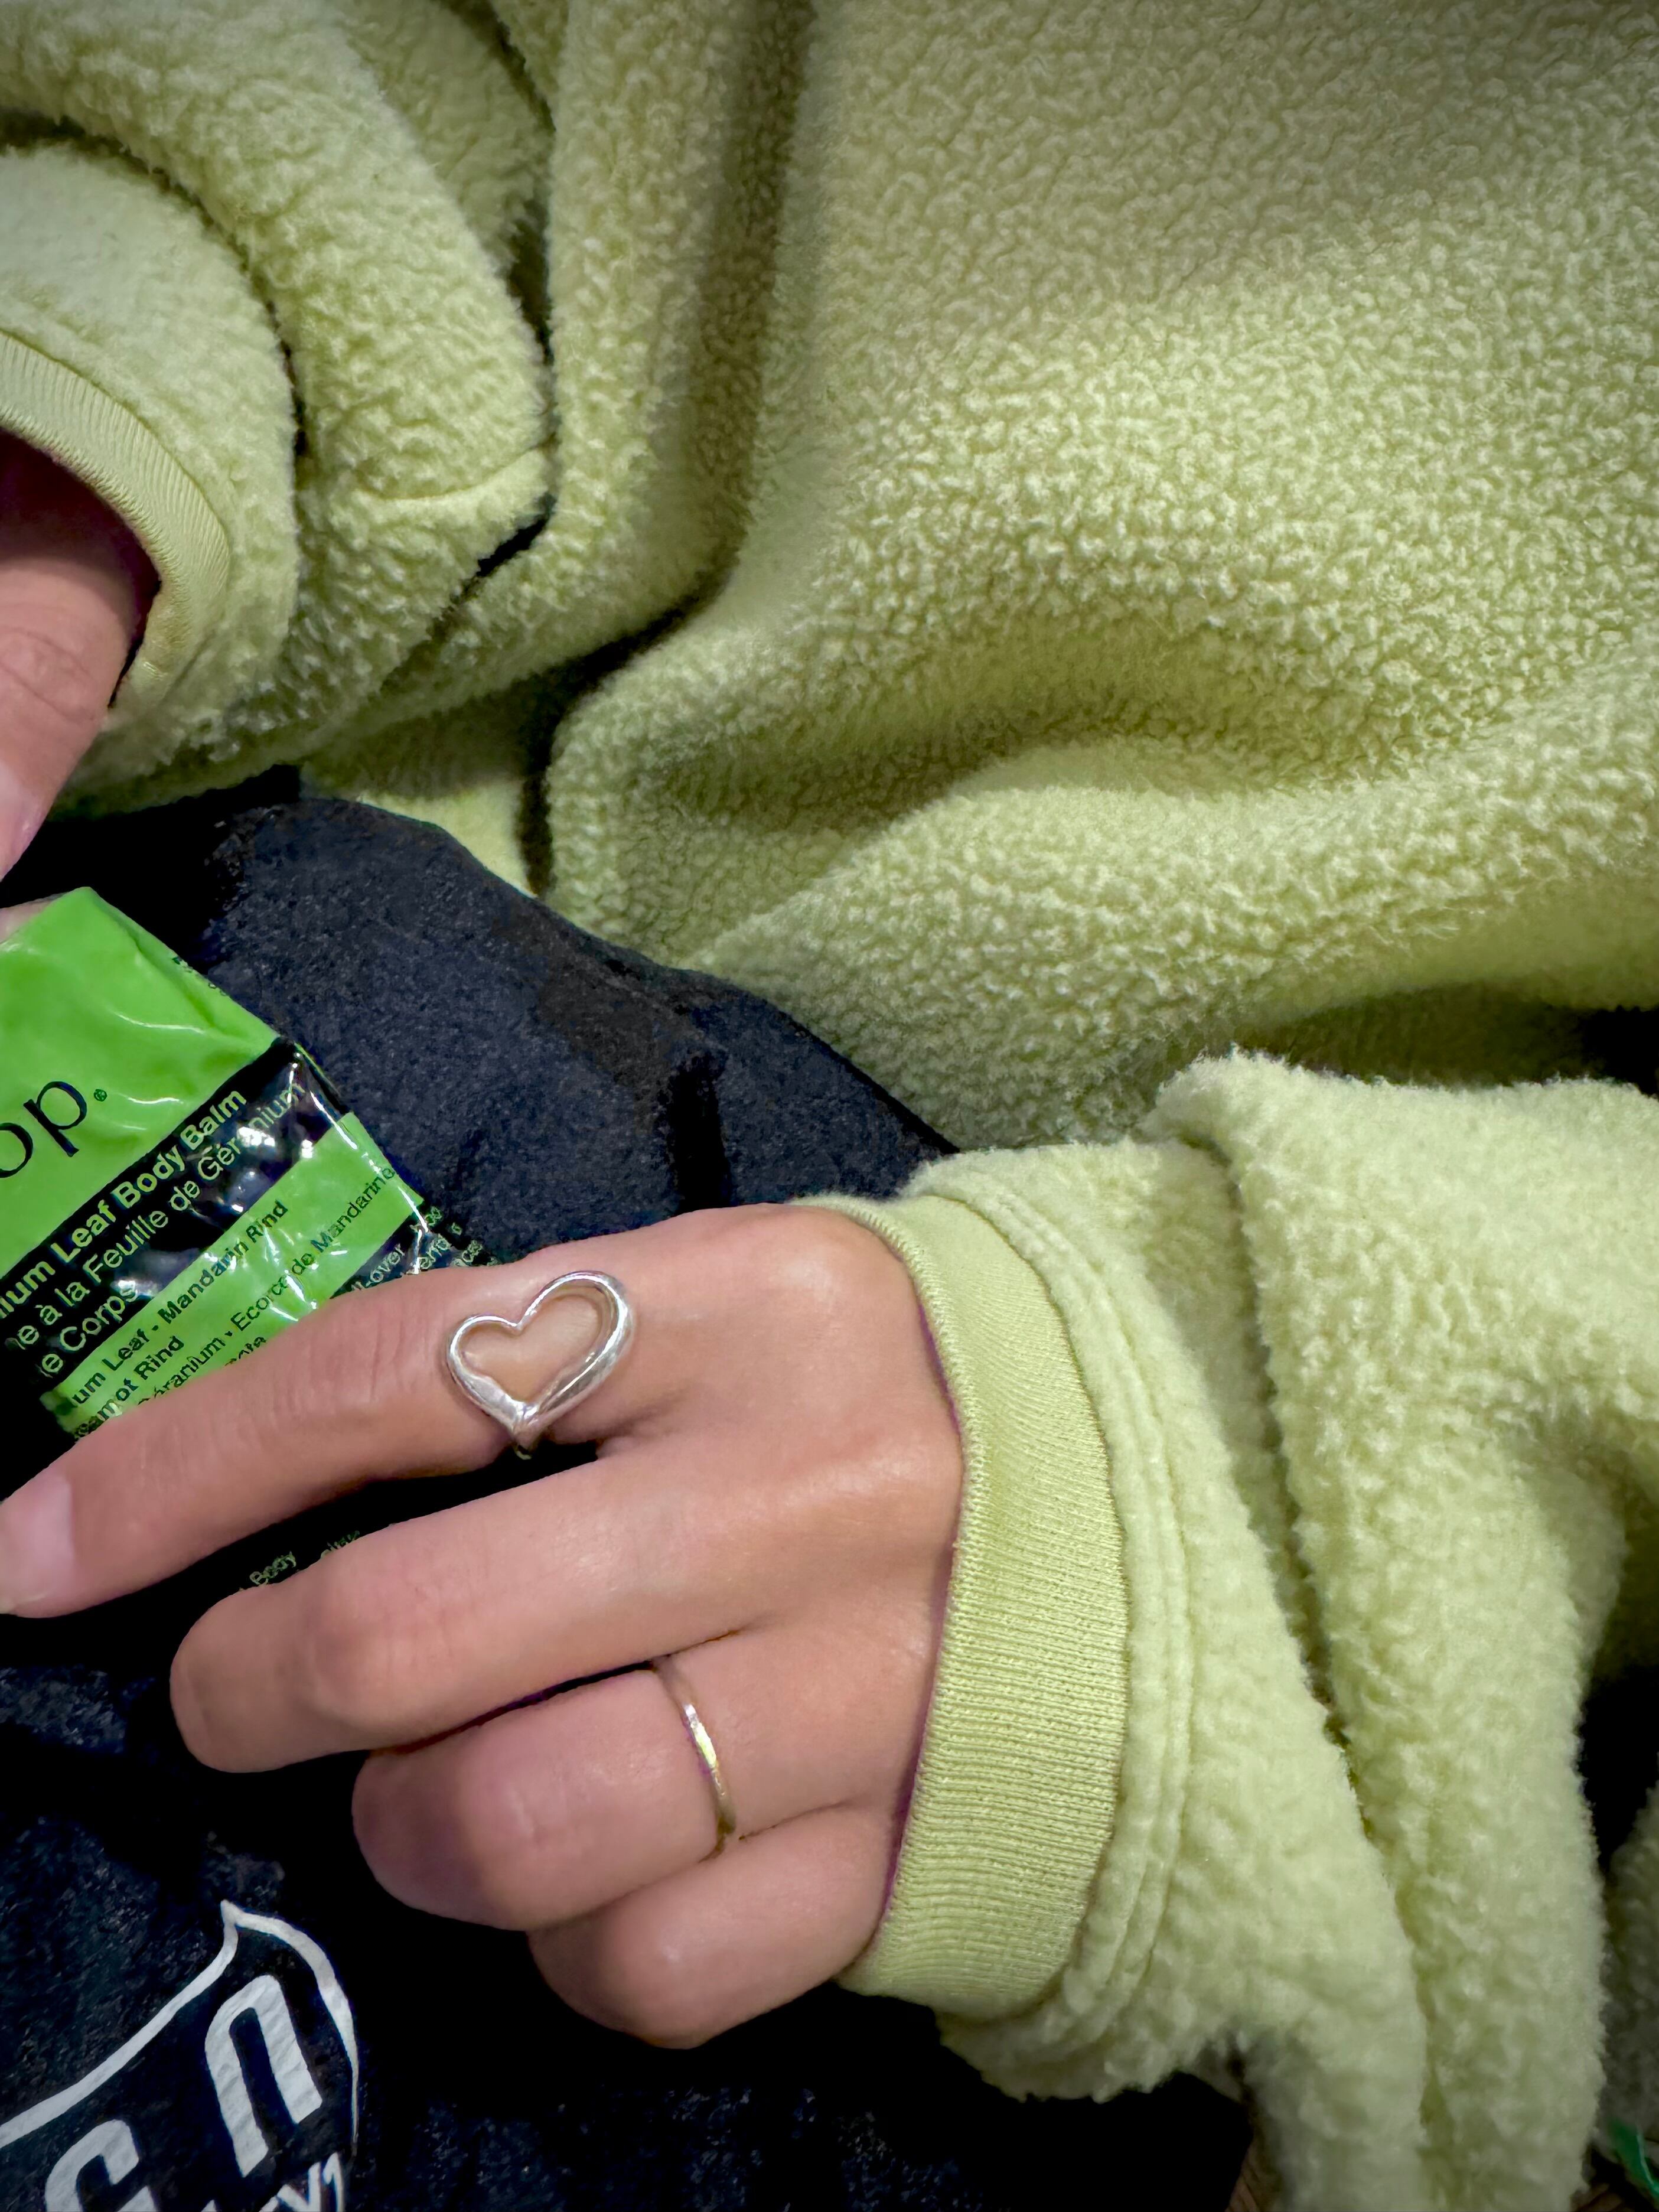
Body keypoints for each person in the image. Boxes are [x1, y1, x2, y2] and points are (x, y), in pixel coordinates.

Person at [0, 5, 1657, 2208]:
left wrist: (1217, 1466)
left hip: (1073, 1791)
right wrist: (98, 382)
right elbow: (434, 51)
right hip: (205, 848)